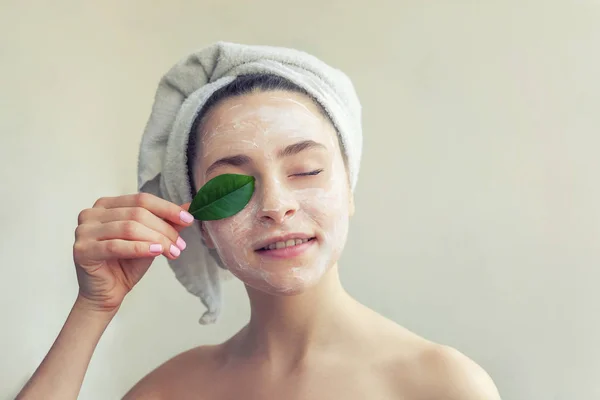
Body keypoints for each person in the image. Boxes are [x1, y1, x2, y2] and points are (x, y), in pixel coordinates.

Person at [17, 44, 501, 400]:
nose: (276, 204)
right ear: (201, 224)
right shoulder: (169, 392)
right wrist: (93, 308)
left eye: (306, 170)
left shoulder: (441, 384)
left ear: (348, 189)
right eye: (235, 185)